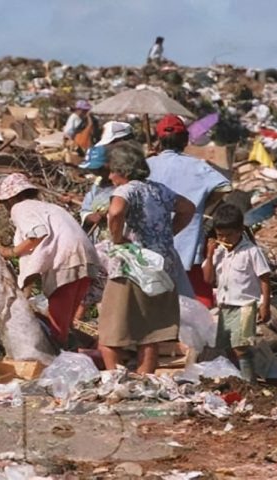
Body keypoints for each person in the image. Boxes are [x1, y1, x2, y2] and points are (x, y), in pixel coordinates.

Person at [98, 141, 195, 374]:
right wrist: (166, 234)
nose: (110, 176)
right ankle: (145, 380)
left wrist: (118, 237)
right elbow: (188, 208)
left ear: (124, 171)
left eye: (113, 170)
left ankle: (114, 378)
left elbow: (116, 211)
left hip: (131, 267)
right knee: (150, 333)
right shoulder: (159, 189)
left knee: (110, 331)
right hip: (160, 266)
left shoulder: (126, 190)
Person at [0, 173, 100, 347]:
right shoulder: (48, 207)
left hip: (66, 259)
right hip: (86, 257)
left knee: (57, 326)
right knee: (66, 321)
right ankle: (69, 353)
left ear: (12, 198)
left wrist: (11, 252)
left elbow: (37, 234)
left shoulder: (20, 208)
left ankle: (57, 358)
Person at [147, 114, 232, 307]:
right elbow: (224, 187)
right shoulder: (197, 165)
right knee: (194, 299)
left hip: (152, 242)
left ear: (159, 139)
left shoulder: (147, 165)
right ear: (185, 140)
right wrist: (203, 208)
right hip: (187, 241)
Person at [202, 204, 271, 383]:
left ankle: (249, 383)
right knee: (225, 346)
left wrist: (265, 304)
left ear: (240, 230)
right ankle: (236, 379)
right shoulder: (219, 252)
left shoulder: (251, 251)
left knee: (241, 346)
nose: (225, 239)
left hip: (245, 304)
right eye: (220, 235)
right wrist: (209, 255)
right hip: (225, 305)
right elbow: (208, 279)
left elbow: (264, 277)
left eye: (229, 235)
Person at [79, 146, 114, 241]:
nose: (96, 172)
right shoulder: (97, 184)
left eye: (100, 169)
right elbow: (85, 209)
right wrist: (89, 217)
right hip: (99, 239)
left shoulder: (122, 185)